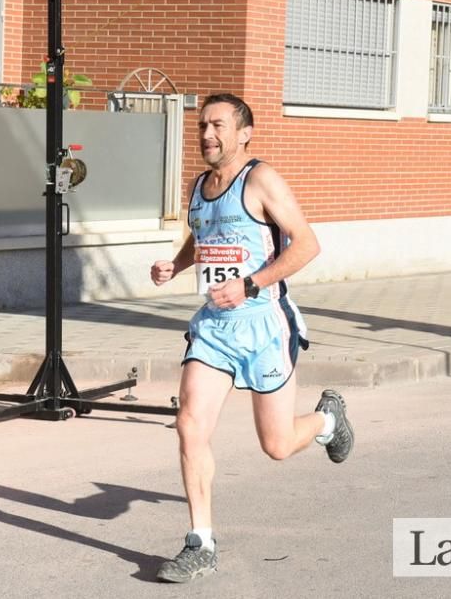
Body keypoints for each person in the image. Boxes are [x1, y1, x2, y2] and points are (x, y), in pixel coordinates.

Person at [149, 93, 354, 583]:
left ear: (244, 133)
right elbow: (204, 235)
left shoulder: (262, 180)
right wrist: (175, 265)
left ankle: (328, 419)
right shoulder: (200, 184)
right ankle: (200, 542)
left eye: (218, 126)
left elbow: (307, 244)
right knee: (190, 424)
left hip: (265, 325)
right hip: (215, 329)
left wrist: (250, 284)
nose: (207, 135)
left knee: (278, 444)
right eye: (202, 126)